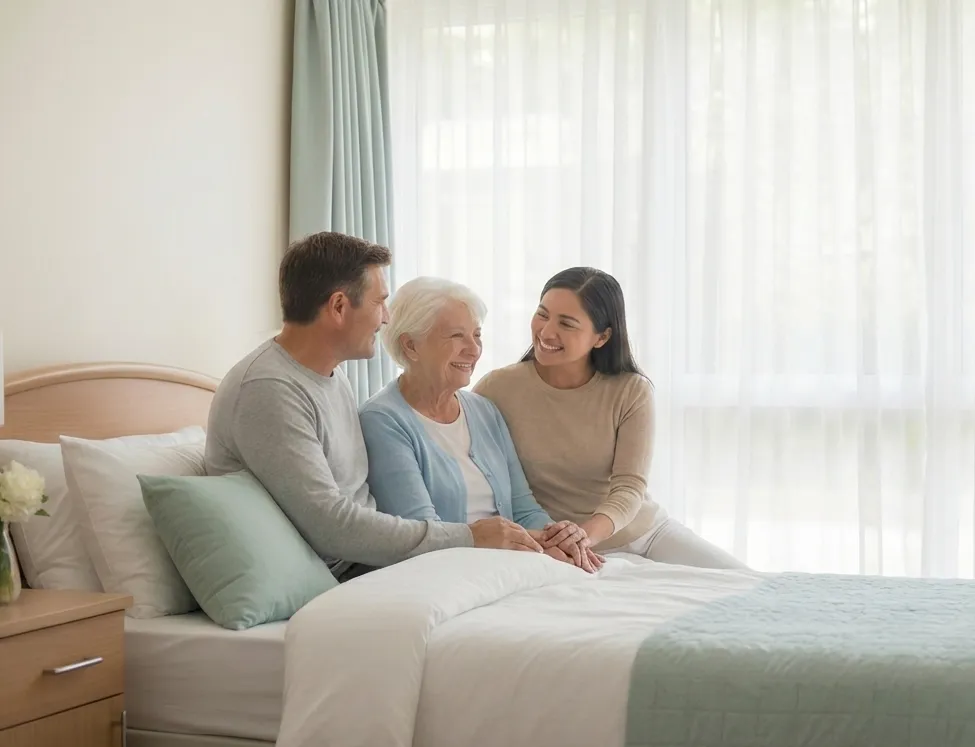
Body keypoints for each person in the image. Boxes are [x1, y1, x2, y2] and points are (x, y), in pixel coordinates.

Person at [204, 231, 546, 582]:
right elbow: (331, 526)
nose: (385, 318)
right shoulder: (268, 390)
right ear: (339, 307)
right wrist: (470, 537)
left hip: (367, 566)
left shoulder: (331, 377)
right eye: (379, 303)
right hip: (341, 576)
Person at [474, 267, 748, 570]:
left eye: (567, 323)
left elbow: (629, 488)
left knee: (748, 583)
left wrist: (584, 535)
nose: (547, 331)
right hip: (555, 545)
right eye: (543, 314)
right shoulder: (497, 388)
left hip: (643, 533)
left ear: (602, 337)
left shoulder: (631, 390)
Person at [359, 277, 601, 573]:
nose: (473, 350)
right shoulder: (383, 420)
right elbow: (421, 535)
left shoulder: (483, 411)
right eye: (457, 336)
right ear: (411, 346)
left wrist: (557, 536)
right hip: (449, 574)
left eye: (477, 335)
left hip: (511, 565)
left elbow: (523, 509)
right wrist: (530, 545)